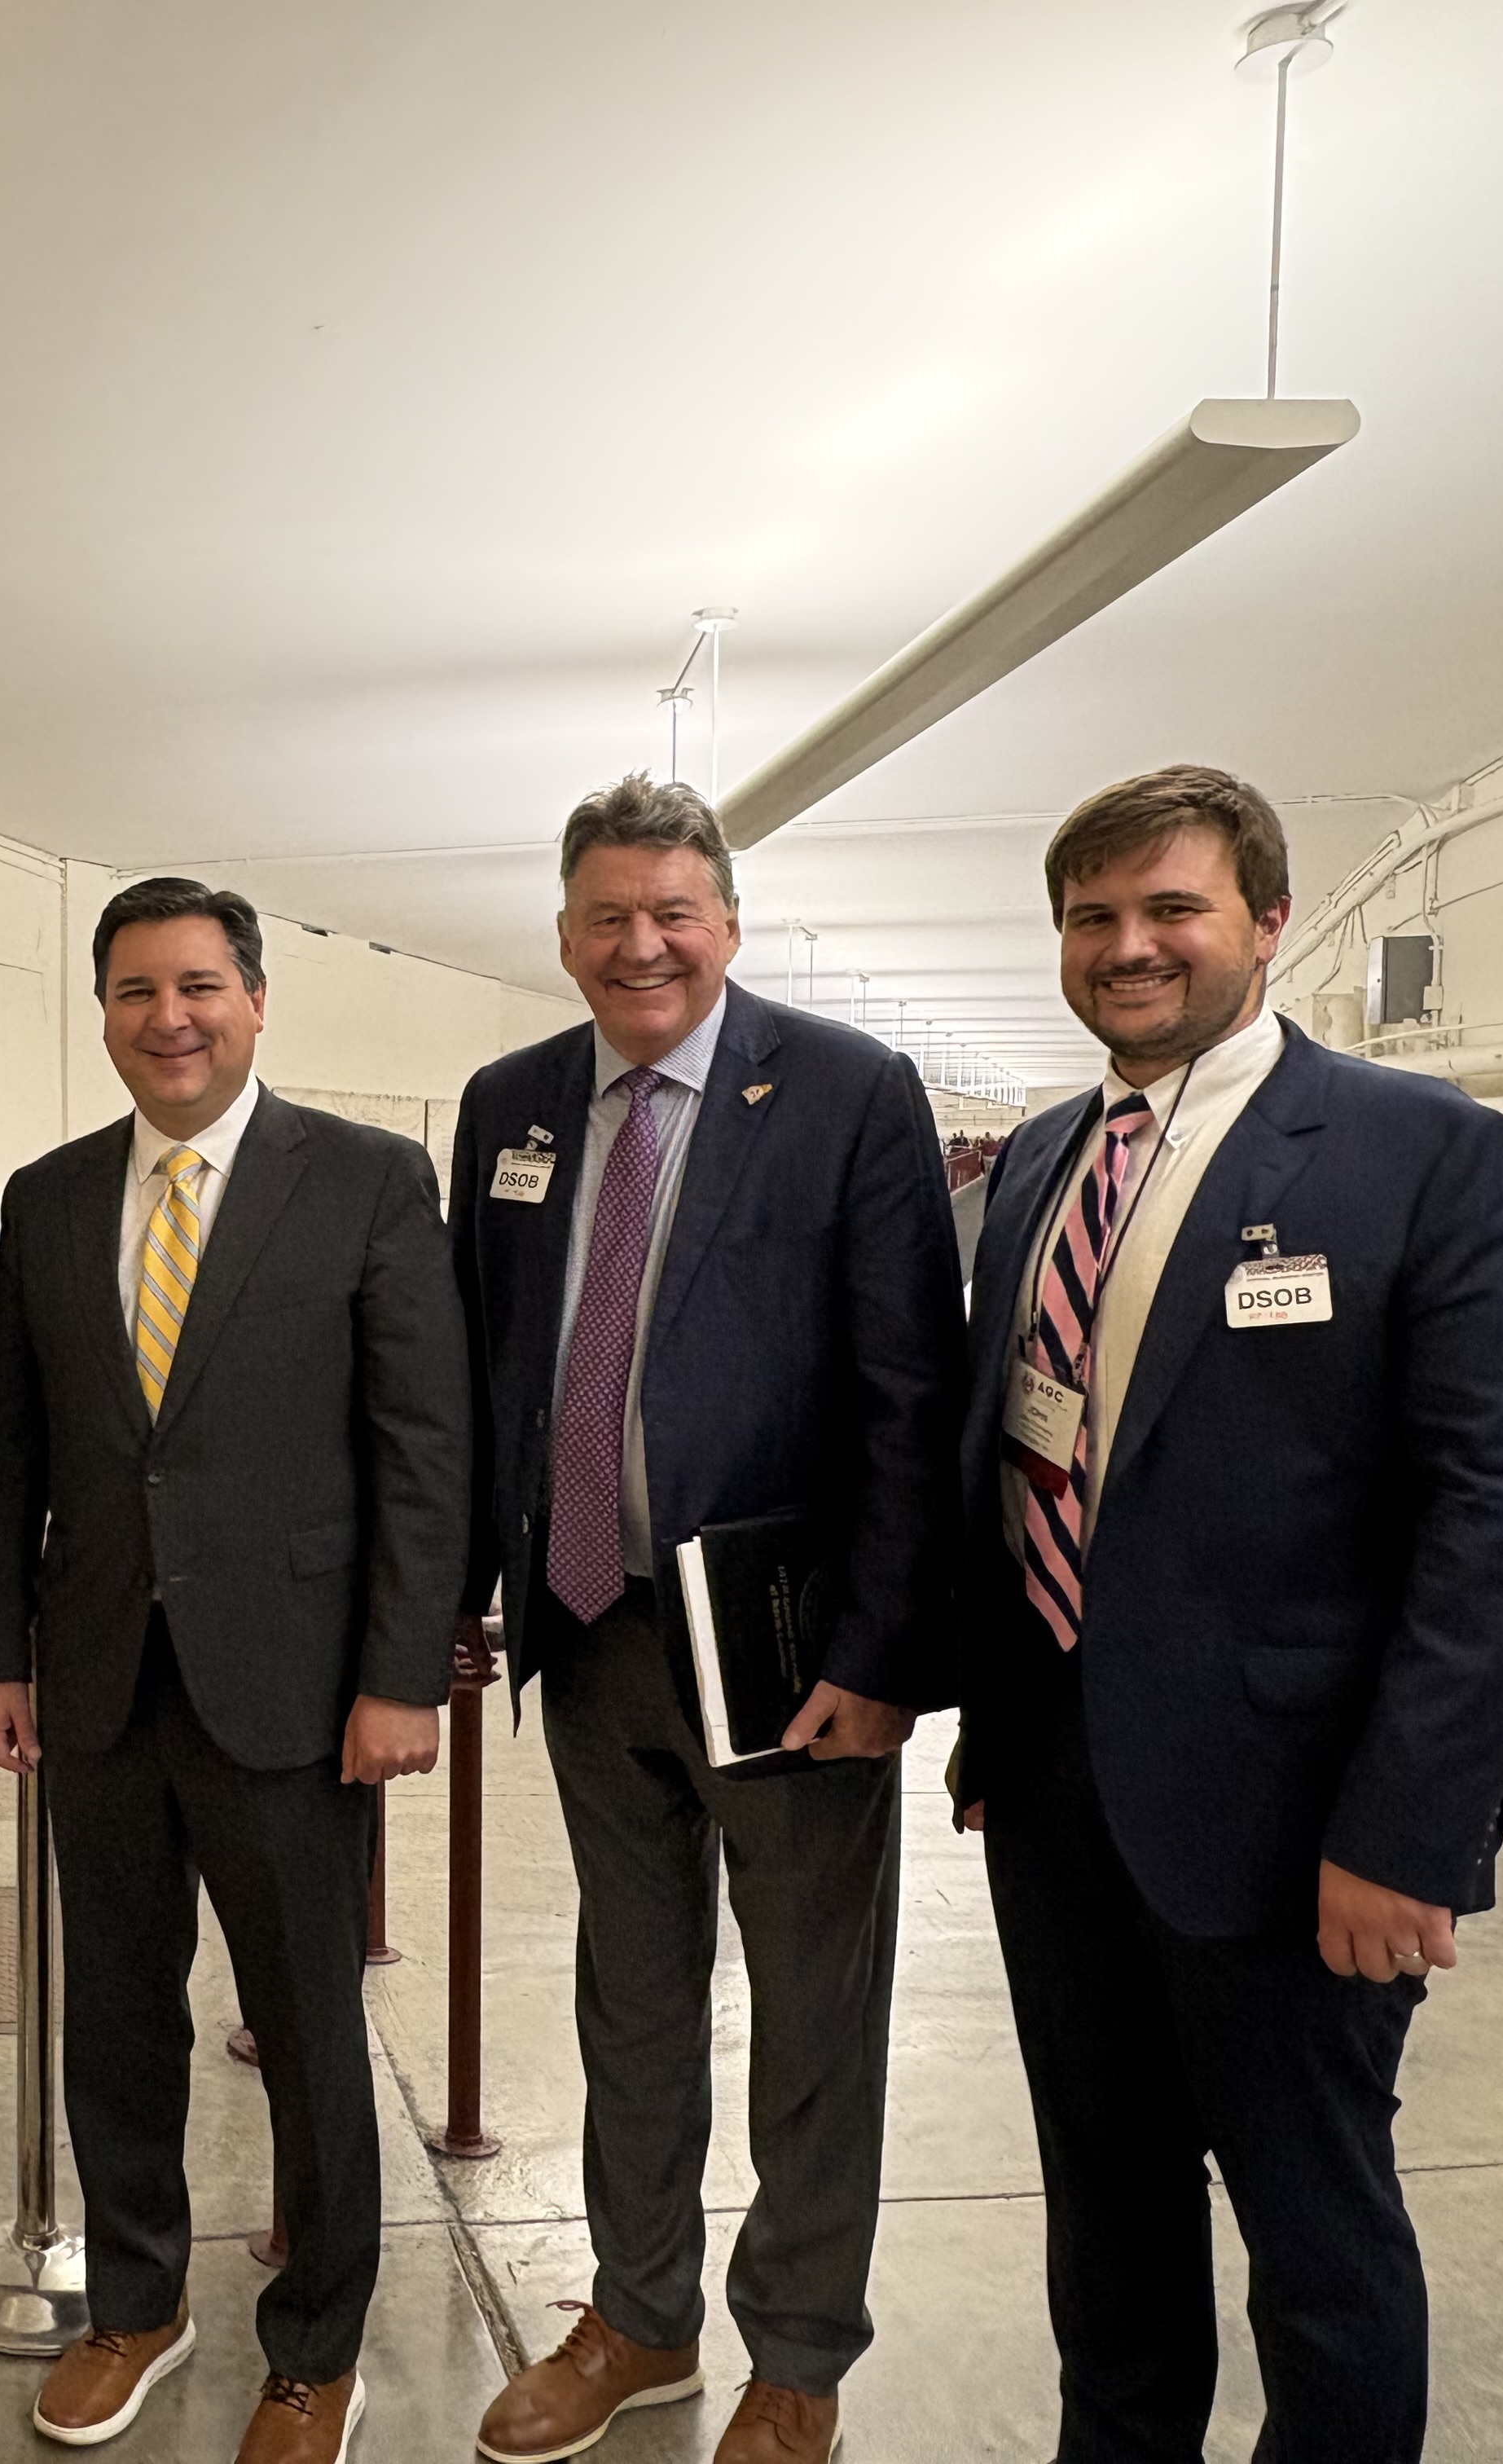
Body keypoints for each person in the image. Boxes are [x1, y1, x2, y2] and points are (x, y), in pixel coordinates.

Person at [951, 766, 1503, 2464]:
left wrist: (1404, 1830)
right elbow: (1028, 1452)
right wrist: (998, 1732)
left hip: (1306, 1819)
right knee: (1107, 2208)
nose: (1130, 947)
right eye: (1094, 918)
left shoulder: (1429, 1156)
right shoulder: (1035, 1167)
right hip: (1065, 1797)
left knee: (1315, 2234)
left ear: (1270, 924)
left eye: (1174, 910)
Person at [450, 778, 966, 2464]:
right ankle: (641, 2316)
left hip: (784, 1646)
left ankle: (800, 2352)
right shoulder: (511, 1105)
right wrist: (464, 1596)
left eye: (672, 910)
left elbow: (909, 1389)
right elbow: (484, 1371)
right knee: (630, 1991)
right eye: (606, 914)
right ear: (566, 936)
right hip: (589, 1632)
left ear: (727, 923)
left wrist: (884, 1654)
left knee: (814, 2011)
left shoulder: (843, 1091)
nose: (640, 942)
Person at [0, 877, 471, 2464]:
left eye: (195, 987)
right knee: (117, 2016)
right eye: (133, 991)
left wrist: (403, 1676)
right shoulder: (44, 1202)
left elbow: (423, 1448)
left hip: (297, 1696)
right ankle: (136, 2302)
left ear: (255, 1002)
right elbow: (4, 1452)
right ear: (103, 1012)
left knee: (309, 2028)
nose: (166, 1018)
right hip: (100, 1683)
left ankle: (315, 2346)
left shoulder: (368, 1183)